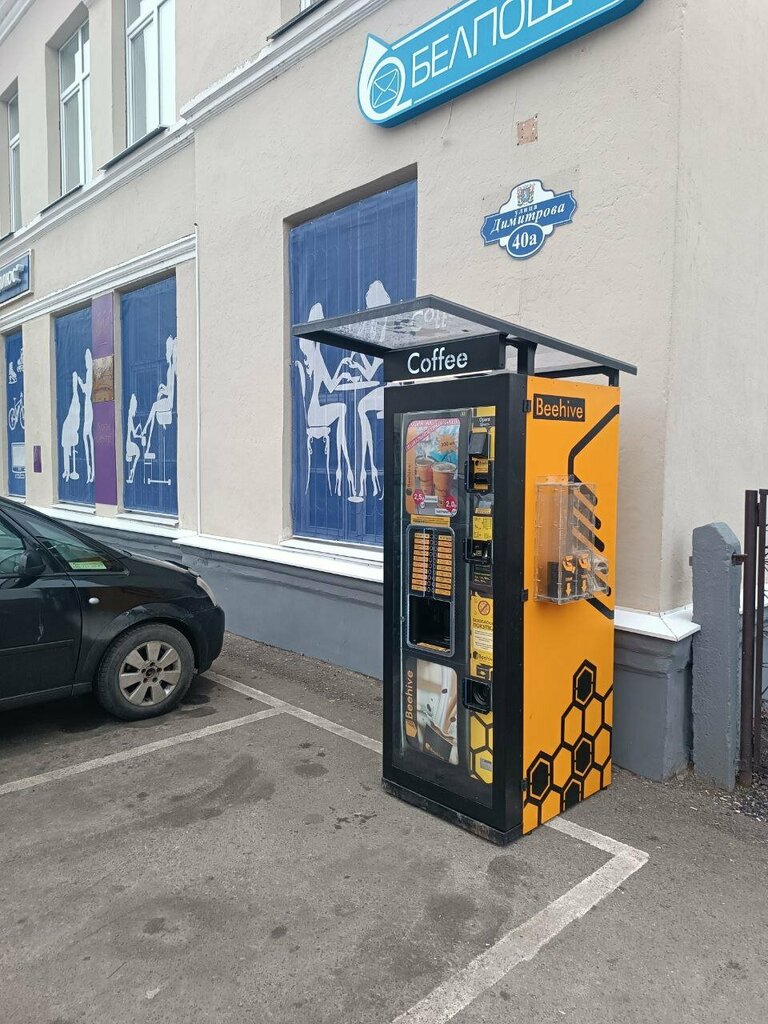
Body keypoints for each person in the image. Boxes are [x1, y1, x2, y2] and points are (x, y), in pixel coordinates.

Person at [143, 336, 177, 455]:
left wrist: (163, 390)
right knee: (155, 406)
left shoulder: (171, 368)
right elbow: (170, 388)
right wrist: (163, 388)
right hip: (168, 400)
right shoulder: (170, 367)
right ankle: (149, 438)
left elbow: (171, 391)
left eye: (167, 350)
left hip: (169, 402)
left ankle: (146, 428)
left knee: (154, 406)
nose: (166, 353)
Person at [77, 349, 95, 484]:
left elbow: (86, 390)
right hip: (88, 406)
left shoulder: (90, 372)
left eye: (87, 358)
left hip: (89, 406)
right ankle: (91, 471)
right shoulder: (92, 372)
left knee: (87, 438)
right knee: (88, 438)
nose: (86, 361)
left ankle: (91, 471)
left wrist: (79, 382)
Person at [61, 371, 81, 482]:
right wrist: (75, 379)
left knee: (67, 450)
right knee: (66, 450)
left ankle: (67, 471)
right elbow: (74, 390)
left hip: (70, 430)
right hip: (68, 429)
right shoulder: (75, 404)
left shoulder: (76, 407)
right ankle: (66, 471)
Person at [125, 394, 143, 483]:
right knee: (138, 453)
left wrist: (138, 427)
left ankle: (131, 472)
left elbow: (133, 432)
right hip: (129, 445)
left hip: (129, 444)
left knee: (138, 454)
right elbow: (135, 435)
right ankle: (132, 470)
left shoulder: (129, 418)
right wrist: (141, 435)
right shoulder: (130, 419)